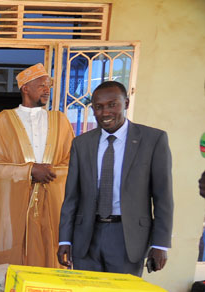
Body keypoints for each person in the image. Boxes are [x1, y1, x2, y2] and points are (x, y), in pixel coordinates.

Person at [58, 81, 173, 276]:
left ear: (126, 103)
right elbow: (72, 197)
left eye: (113, 104)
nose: (105, 113)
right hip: (86, 236)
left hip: (128, 238)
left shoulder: (153, 140)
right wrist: (65, 240)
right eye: (98, 107)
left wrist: (160, 244)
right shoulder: (81, 144)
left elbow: (163, 197)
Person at [0, 63, 75, 268]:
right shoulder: (5, 119)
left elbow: (72, 162)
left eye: (49, 86)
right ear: (25, 88)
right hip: (16, 202)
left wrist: (49, 173)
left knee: (52, 252)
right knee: (14, 254)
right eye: (42, 85)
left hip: (52, 203)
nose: (47, 90)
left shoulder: (60, 120)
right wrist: (30, 171)